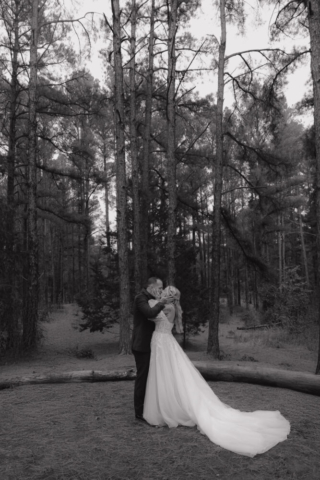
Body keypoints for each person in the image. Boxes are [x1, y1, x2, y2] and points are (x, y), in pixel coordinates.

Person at [143, 286, 291, 458]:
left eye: (164, 291)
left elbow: (150, 314)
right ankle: (169, 405)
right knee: (168, 375)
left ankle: (168, 409)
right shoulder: (172, 307)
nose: (161, 293)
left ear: (169, 296)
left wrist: (152, 299)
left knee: (165, 375)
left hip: (162, 342)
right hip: (164, 342)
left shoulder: (167, 307)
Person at [131, 277, 174, 421]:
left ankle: (151, 408)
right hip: (142, 345)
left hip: (154, 344)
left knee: (152, 377)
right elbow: (149, 313)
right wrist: (162, 303)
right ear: (151, 286)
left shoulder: (153, 299)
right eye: (160, 288)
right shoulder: (140, 298)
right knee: (142, 378)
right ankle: (139, 412)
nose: (161, 291)